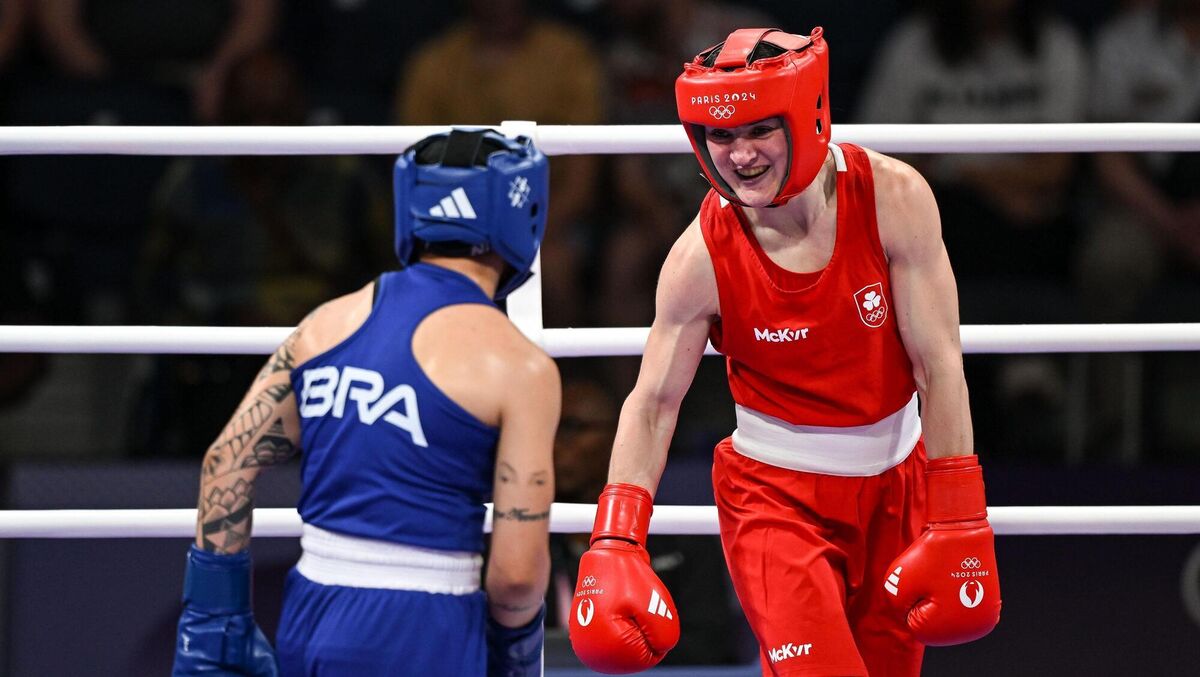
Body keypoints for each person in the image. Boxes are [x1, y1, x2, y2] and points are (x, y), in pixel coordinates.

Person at [567, 28, 1001, 676]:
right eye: (720, 135)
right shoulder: (698, 258)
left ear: (809, 114)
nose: (739, 156)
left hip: (897, 487)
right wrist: (616, 535)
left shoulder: (895, 199)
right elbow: (654, 403)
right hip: (776, 500)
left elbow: (939, 369)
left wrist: (959, 514)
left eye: (758, 130)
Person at [171, 128, 561, 676]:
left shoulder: (325, 324)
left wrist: (216, 622)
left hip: (313, 608)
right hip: (428, 623)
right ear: (522, 210)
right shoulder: (518, 367)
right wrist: (513, 656)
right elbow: (517, 576)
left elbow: (226, 463)